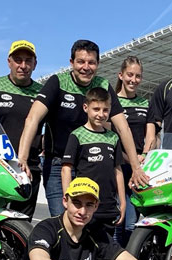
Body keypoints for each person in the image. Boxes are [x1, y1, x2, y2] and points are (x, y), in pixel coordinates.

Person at [16, 39, 148, 217]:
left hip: (90, 166)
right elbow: (33, 118)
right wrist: (22, 158)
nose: (86, 67)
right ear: (71, 63)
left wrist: (135, 167)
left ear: (98, 64)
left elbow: (122, 127)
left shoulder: (102, 85)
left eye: (91, 62)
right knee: (64, 221)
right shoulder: (58, 82)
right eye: (81, 62)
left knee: (90, 225)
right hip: (58, 166)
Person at [62, 87, 126, 260]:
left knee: (104, 257)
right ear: (86, 108)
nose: (101, 114)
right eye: (96, 109)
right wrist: (69, 199)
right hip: (84, 207)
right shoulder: (77, 135)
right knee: (79, 253)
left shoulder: (113, 138)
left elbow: (118, 171)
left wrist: (122, 202)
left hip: (107, 206)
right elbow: (66, 168)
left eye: (105, 110)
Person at [0, 40, 43, 220]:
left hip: (29, 167)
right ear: (9, 62)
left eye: (28, 61)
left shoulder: (41, 92)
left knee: (22, 221)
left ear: (35, 64)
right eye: (18, 60)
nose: (23, 65)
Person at [112, 56, 155, 247]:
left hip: (139, 170)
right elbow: (109, 139)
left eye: (138, 76)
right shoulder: (112, 103)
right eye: (130, 75)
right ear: (121, 75)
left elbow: (151, 136)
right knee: (117, 223)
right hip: (117, 167)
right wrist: (129, 159)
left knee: (132, 224)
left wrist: (144, 156)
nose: (133, 80)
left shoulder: (146, 104)